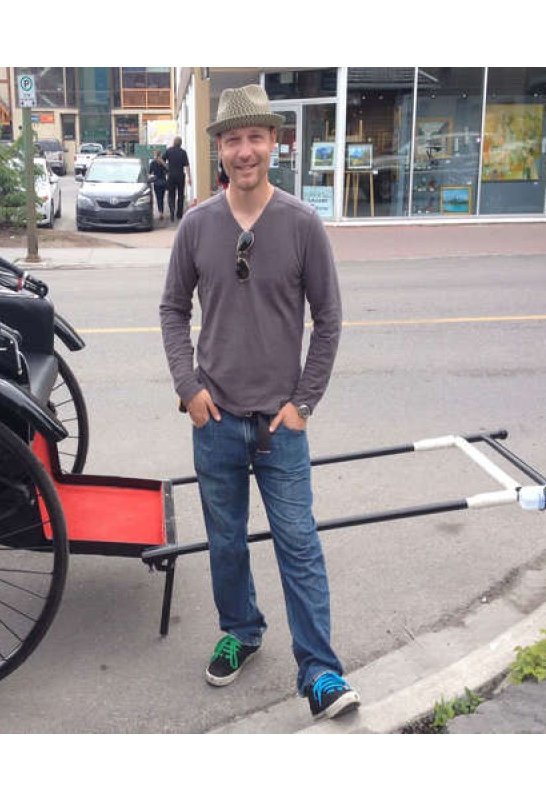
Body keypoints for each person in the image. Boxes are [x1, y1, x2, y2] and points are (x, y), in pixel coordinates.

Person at [159, 84, 359, 721]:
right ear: (218, 149)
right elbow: (171, 309)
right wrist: (188, 388)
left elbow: (328, 319)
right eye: (232, 140)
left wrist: (304, 403)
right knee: (224, 542)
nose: (245, 151)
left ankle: (321, 672)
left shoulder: (301, 224)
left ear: (274, 142)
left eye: (255, 137)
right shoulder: (197, 226)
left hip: (281, 425)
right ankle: (241, 631)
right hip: (215, 420)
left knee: (298, 543)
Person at [163, 135, 191, 221]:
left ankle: (172, 212)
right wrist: (189, 177)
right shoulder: (183, 152)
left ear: (174, 142)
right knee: (181, 195)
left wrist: (167, 167)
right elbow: (187, 166)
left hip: (171, 176)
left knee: (171, 195)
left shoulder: (169, 151)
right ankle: (179, 214)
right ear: (181, 143)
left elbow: (162, 160)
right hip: (180, 176)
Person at [149, 149, 168, 220]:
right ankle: (161, 212)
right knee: (162, 198)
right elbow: (167, 170)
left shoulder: (152, 163)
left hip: (156, 183)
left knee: (158, 198)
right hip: (163, 182)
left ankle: (160, 212)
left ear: (155, 154)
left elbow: (150, 172)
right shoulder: (163, 162)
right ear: (160, 154)